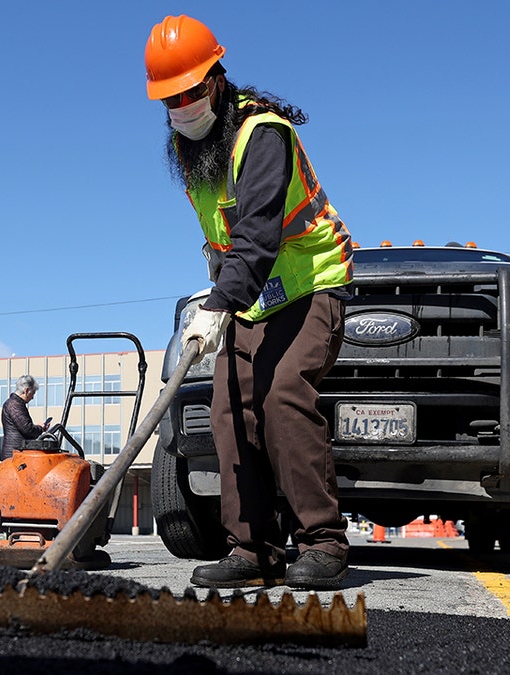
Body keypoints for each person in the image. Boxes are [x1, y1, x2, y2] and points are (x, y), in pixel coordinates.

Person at [145, 15, 354, 590]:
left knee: (283, 395)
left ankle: (324, 543)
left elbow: (259, 235)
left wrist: (217, 304)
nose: (182, 107)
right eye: (170, 100)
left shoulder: (262, 135)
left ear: (215, 80)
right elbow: (224, 240)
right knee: (228, 409)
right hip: (253, 298)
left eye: (190, 92)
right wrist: (221, 300)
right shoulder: (196, 155)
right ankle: (252, 550)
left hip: (310, 283)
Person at [0, 375, 48, 461]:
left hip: (13, 453)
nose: (32, 398)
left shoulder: (13, 404)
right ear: (26, 390)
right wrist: (41, 428)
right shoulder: (15, 405)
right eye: (32, 394)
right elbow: (27, 429)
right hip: (16, 455)